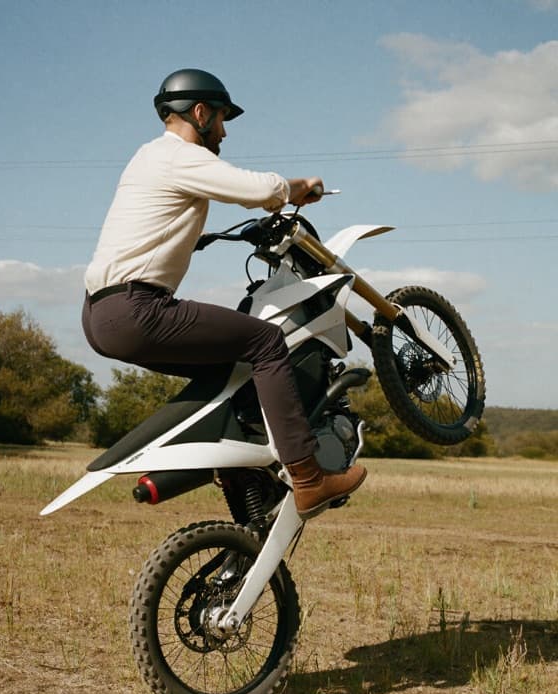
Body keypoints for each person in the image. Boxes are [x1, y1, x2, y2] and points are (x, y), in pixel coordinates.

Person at [82, 68, 367, 519]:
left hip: (102, 315)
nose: (224, 131)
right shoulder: (178, 156)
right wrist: (298, 188)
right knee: (266, 341)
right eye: (221, 118)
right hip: (137, 309)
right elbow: (256, 189)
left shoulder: (149, 158)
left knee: (235, 375)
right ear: (199, 113)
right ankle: (309, 478)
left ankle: (242, 483)